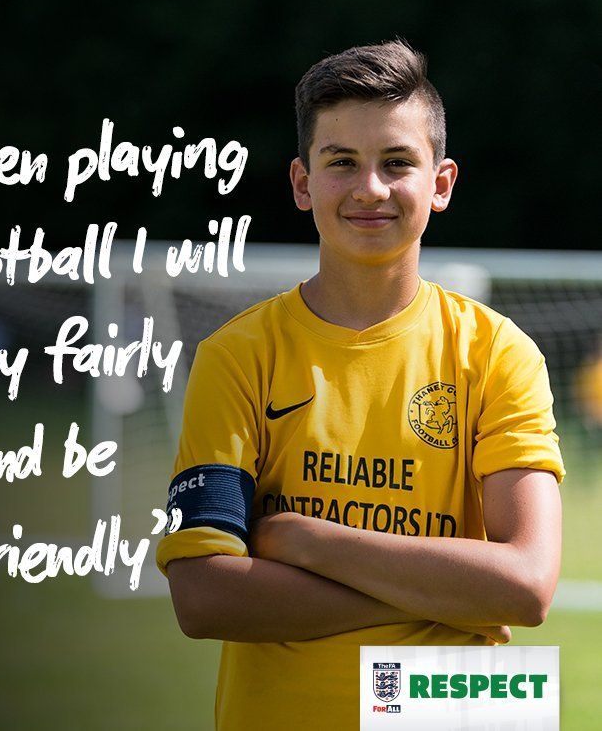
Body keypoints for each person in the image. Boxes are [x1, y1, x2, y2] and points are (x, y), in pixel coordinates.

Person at [156, 40, 564, 730]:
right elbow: (201, 597)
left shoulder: (499, 353)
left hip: (452, 714)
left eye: (397, 162)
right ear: (302, 183)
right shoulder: (237, 355)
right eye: (341, 162)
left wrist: (307, 542)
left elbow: (525, 588)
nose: (370, 188)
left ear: (441, 183)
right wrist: (447, 596)